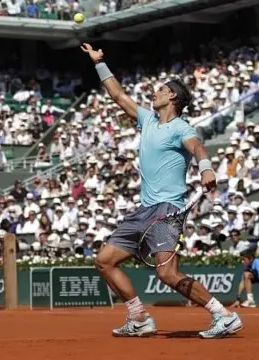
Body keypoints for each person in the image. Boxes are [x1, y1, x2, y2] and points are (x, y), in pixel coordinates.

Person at [81, 43, 242, 339]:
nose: (154, 92)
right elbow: (117, 94)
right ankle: (139, 317)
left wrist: (206, 167)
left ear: (173, 97)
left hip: (167, 210)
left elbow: (197, 147)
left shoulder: (182, 127)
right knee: (105, 261)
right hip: (145, 210)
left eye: (160, 89)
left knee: (167, 273)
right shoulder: (147, 119)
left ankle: (224, 315)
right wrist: (99, 62)